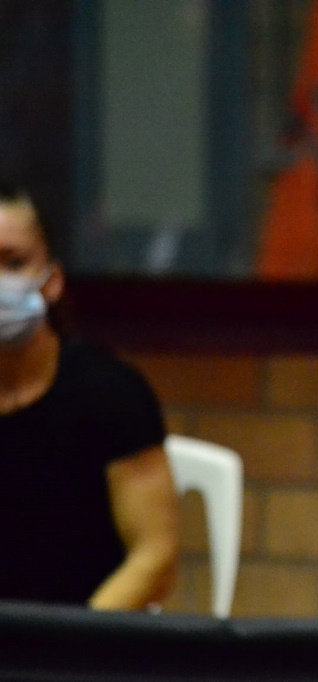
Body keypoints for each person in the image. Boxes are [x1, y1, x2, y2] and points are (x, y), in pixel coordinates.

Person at [0, 175, 181, 610]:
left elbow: (155, 556)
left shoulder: (110, 394)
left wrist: (73, 640)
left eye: (14, 262)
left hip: (83, 639)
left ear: (52, 280)